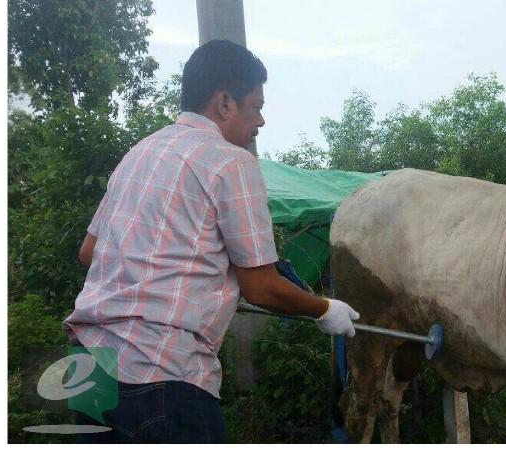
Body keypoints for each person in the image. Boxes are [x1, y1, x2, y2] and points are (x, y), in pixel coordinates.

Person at [63, 39, 360, 443]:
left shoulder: (139, 152)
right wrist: (325, 309)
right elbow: (260, 286)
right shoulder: (231, 162)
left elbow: (90, 253)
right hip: (162, 374)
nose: (261, 121)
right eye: (255, 106)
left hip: (91, 367)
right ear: (224, 103)